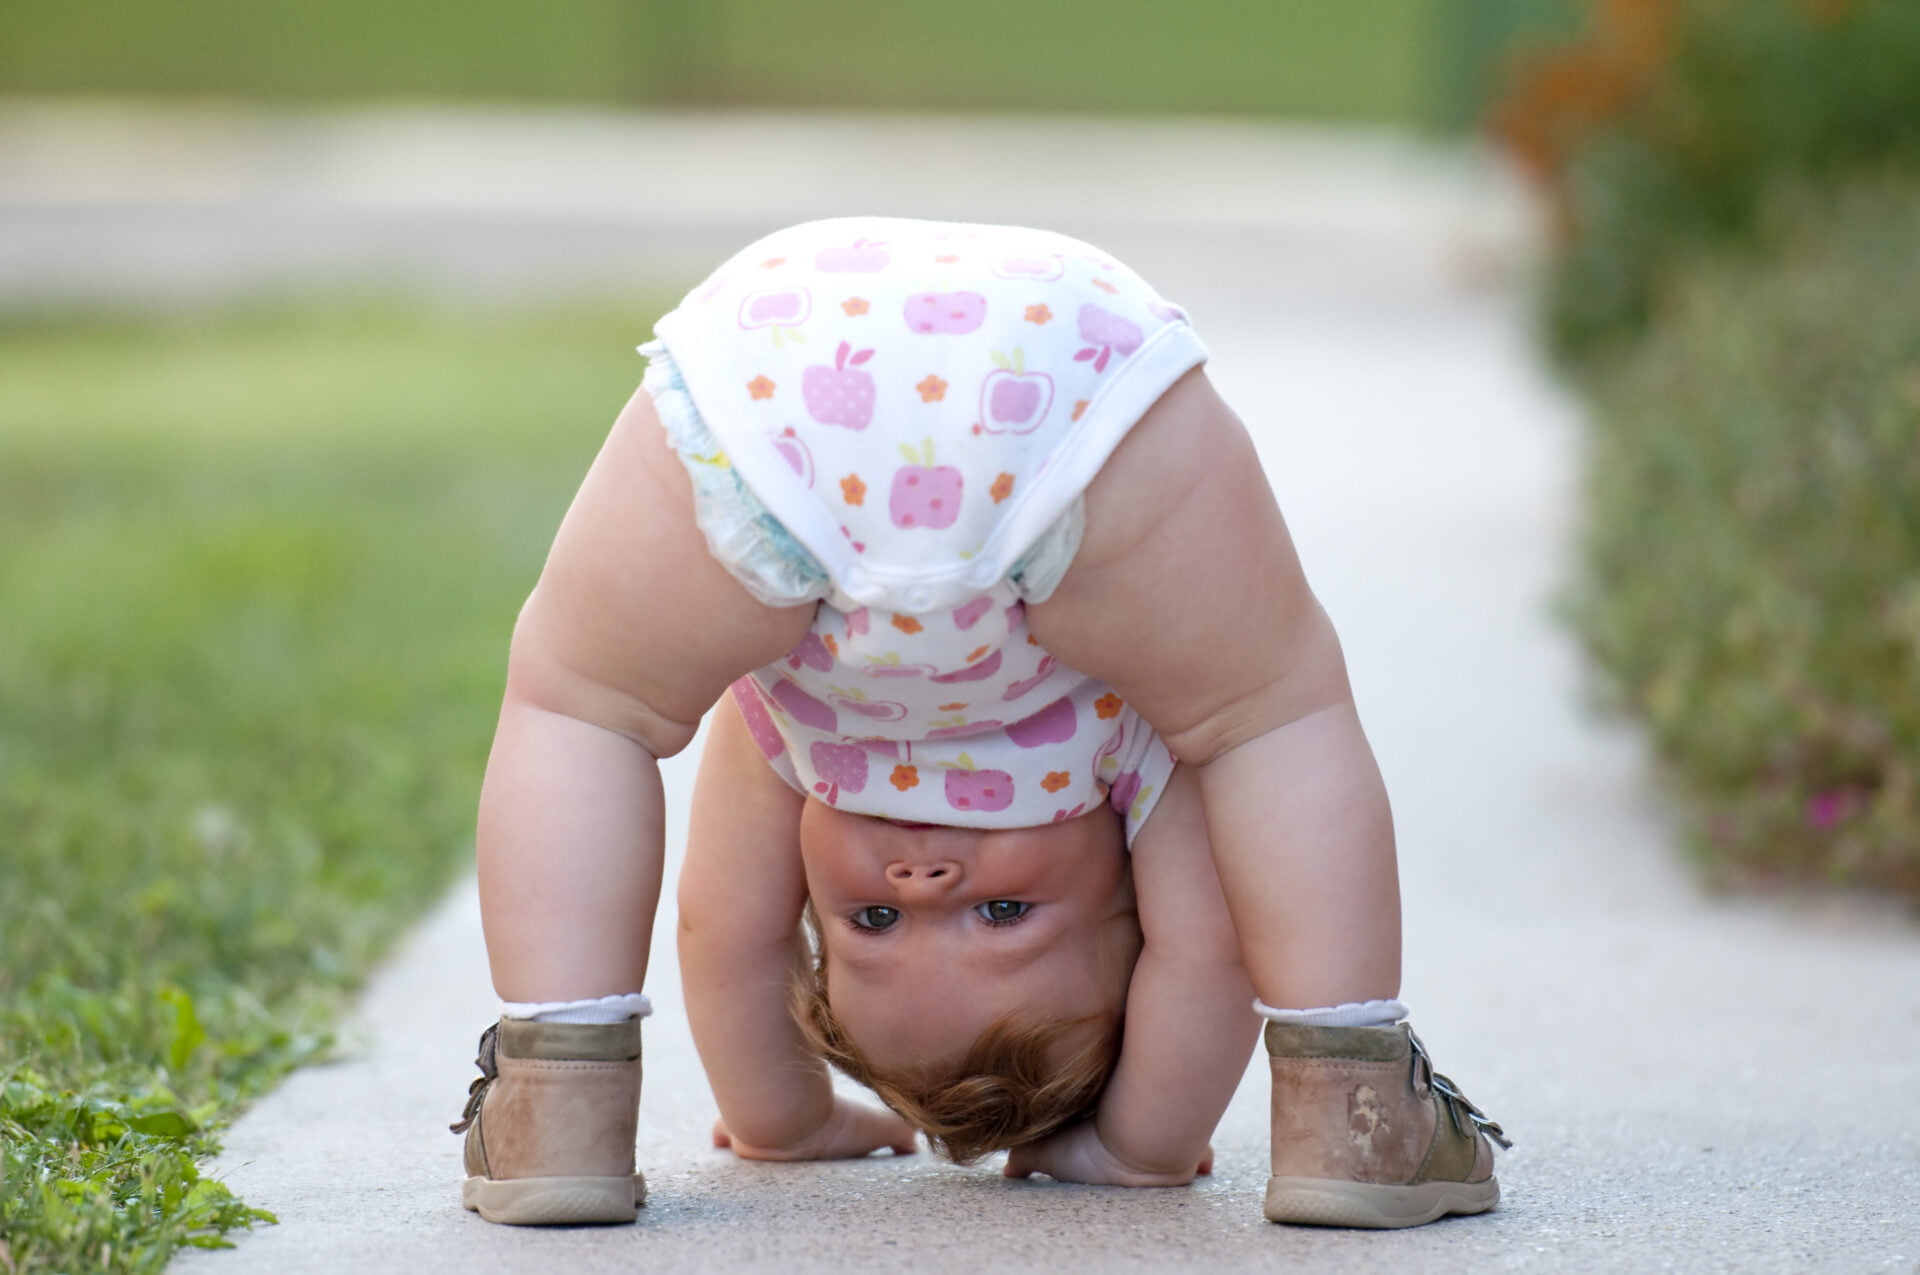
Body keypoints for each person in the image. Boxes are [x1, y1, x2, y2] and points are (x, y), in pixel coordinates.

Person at [449, 216, 1508, 1231]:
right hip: (1040, 398)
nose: (922, 885)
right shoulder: (1126, 756)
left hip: (792, 379)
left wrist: (786, 1118)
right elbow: (1214, 947)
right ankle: (1352, 1110)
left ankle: (560, 1104)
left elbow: (728, 932)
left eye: (868, 925)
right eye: (1006, 914)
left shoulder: (793, 750)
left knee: (580, 700)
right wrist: (1139, 1145)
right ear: (1124, 884)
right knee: (1265, 714)